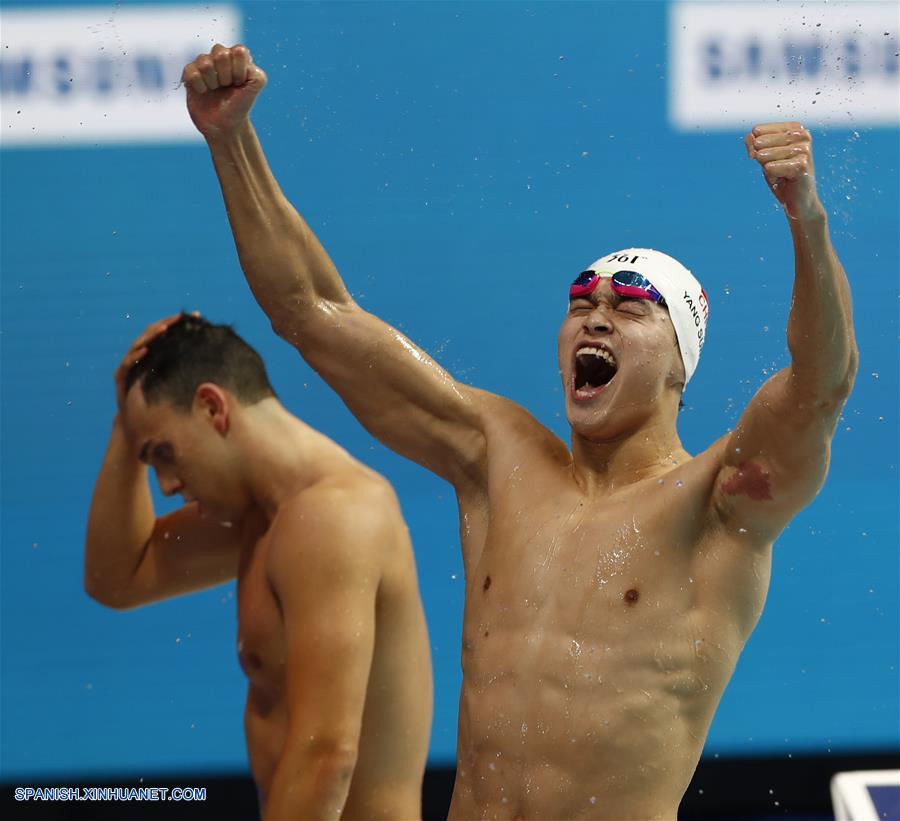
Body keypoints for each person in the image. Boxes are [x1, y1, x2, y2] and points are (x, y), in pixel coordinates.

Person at [183, 43, 858, 820]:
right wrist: (230, 139)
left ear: (681, 367)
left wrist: (806, 217)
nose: (595, 316)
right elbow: (312, 312)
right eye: (581, 303)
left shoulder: (716, 503)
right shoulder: (494, 456)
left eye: (630, 307)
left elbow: (822, 384)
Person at [84, 314, 433, 820]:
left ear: (212, 407)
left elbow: (326, 758)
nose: (166, 485)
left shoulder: (331, 517)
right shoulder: (262, 517)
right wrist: (128, 423)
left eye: (164, 454)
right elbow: (115, 578)